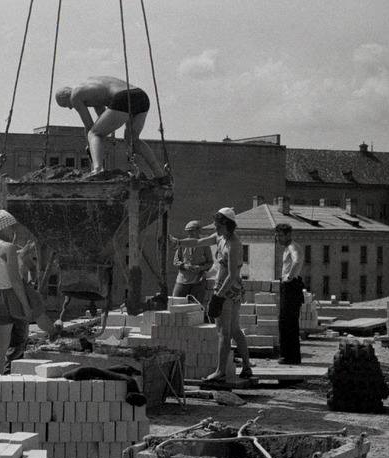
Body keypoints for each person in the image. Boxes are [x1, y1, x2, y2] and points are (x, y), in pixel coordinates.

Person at [170, 208, 252, 381]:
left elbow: (233, 275)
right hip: (229, 288)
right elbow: (198, 243)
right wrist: (178, 243)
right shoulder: (220, 238)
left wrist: (218, 296)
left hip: (228, 289)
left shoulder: (233, 245)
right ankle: (246, 366)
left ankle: (220, 371)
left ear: (227, 225)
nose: (215, 229)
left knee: (224, 332)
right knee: (235, 330)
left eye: (218, 226)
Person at [55, 76, 168, 182]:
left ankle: (98, 170)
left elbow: (90, 127)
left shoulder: (75, 95)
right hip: (141, 96)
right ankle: (160, 174)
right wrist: (97, 144)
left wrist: (91, 144)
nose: (70, 108)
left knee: (93, 134)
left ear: (65, 95)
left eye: (65, 104)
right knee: (132, 139)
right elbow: (103, 116)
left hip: (123, 97)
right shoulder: (90, 88)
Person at [0, 210, 32, 374]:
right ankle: (9, 376)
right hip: (11, 296)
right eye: (11, 228)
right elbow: (15, 281)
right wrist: (25, 305)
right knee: (19, 339)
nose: (13, 232)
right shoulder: (8, 248)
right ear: (2, 227)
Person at [275, 223, 305, 365]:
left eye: (280, 235)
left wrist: (289, 277)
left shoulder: (292, 246)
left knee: (287, 322)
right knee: (287, 322)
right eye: (277, 235)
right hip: (290, 286)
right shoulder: (288, 247)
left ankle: (289, 356)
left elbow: (297, 259)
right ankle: (289, 356)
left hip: (291, 286)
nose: (278, 238)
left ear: (288, 235)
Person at [172, 220, 214, 305]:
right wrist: (184, 266)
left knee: (196, 306)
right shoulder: (183, 244)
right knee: (176, 302)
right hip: (183, 279)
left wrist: (200, 268)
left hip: (198, 280)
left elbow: (210, 262)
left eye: (192, 231)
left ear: (198, 231)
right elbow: (176, 261)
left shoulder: (204, 245)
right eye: (188, 232)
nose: (189, 234)